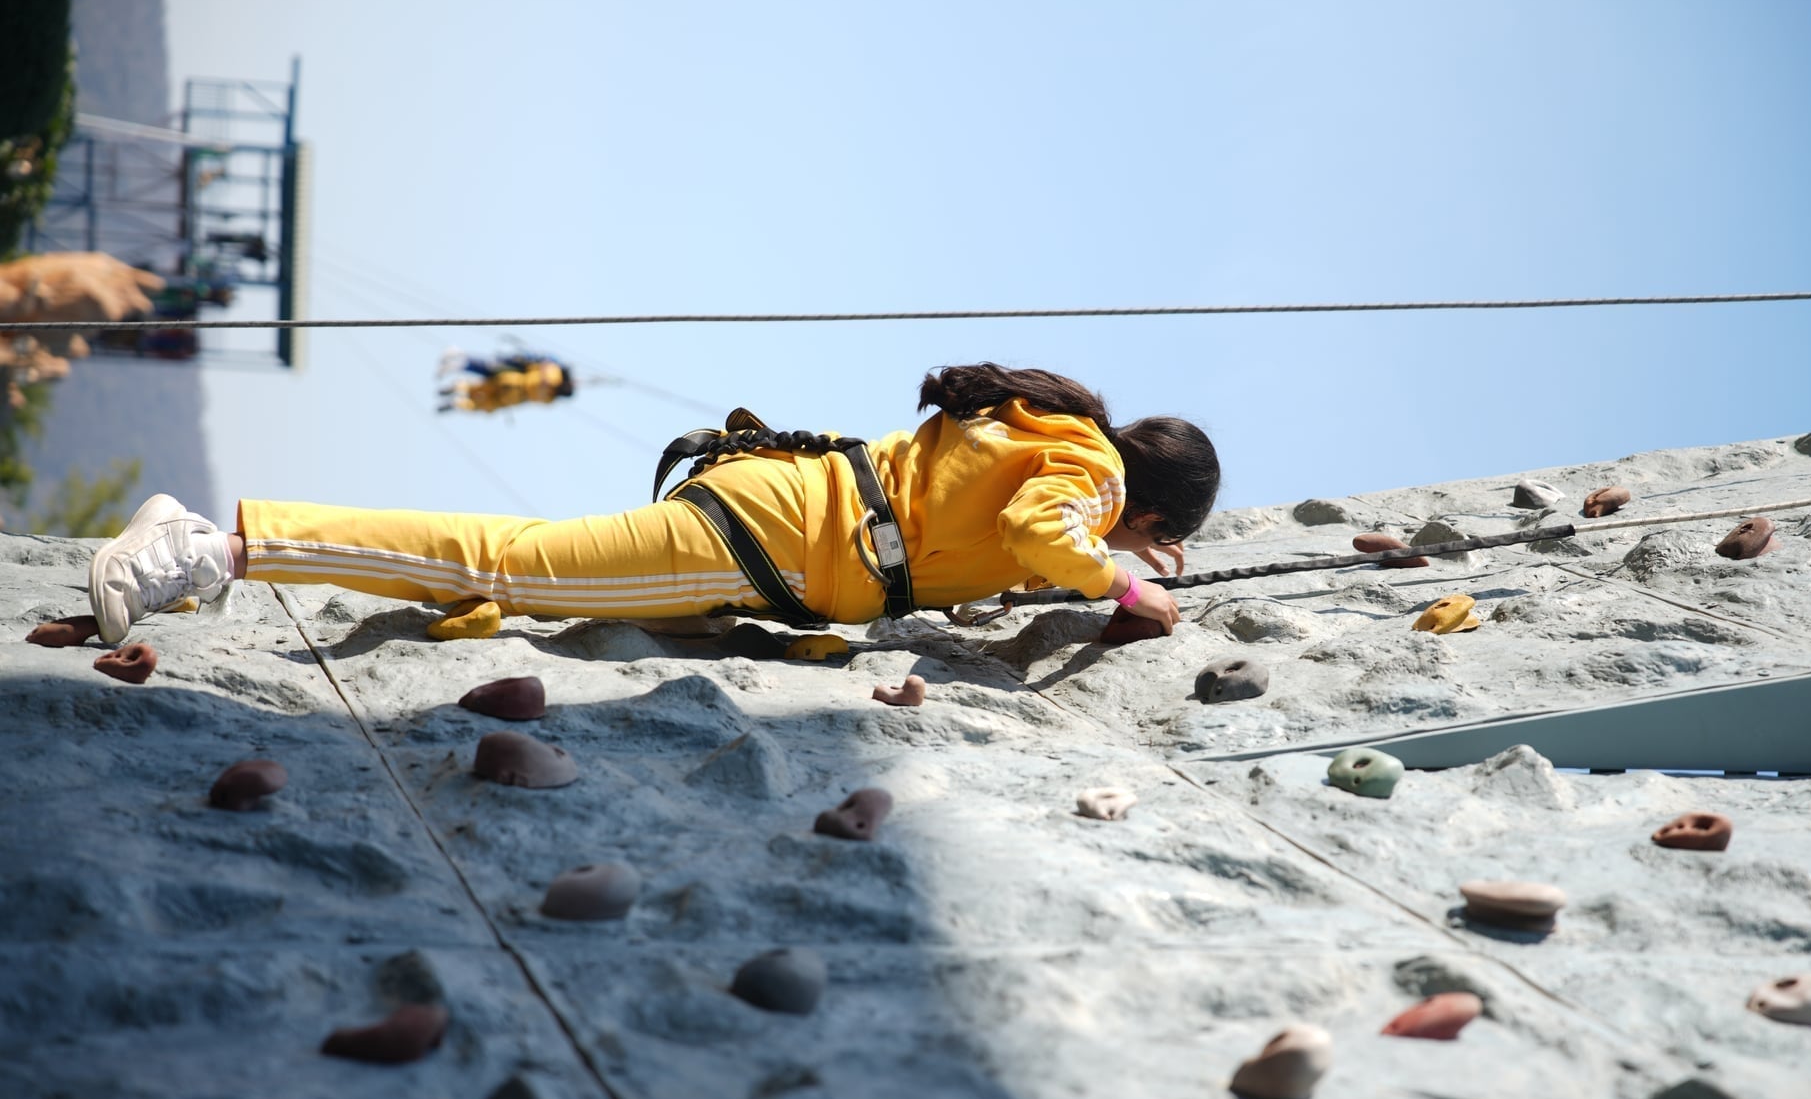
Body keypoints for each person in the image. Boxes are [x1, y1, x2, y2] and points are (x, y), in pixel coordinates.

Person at [85, 363, 1220, 646]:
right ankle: (209, 544)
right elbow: (1043, 535)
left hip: (780, 513)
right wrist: (1123, 581)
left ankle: (228, 550)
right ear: (1158, 514)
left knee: (512, 563)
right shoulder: (1094, 476)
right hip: (775, 535)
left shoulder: (1053, 431)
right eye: (1156, 541)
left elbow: (1004, 540)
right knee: (509, 565)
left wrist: (1115, 565)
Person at [436, 353, 575, 414]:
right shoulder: (550, 399)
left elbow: (532, 365)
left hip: (513, 381)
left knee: (480, 388)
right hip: (515, 397)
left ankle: (458, 390)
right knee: (485, 404)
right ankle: (459, 401)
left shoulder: (553, 370)